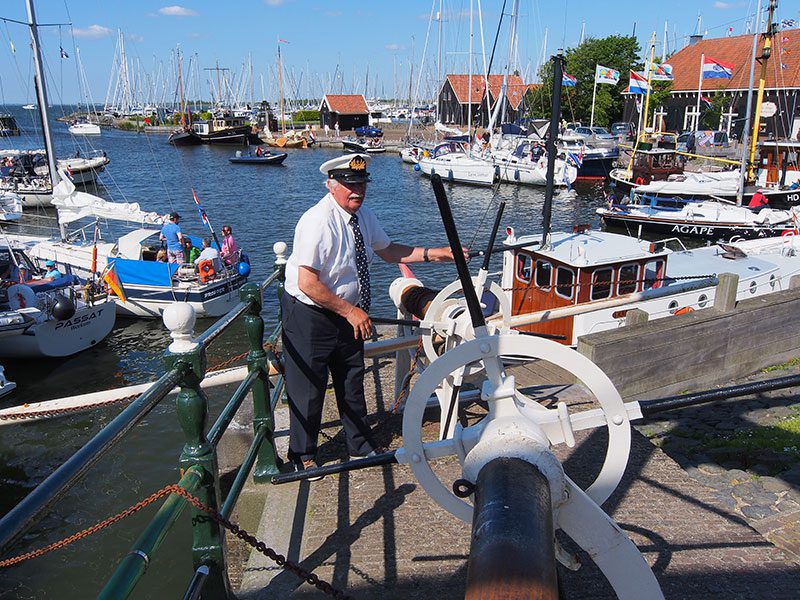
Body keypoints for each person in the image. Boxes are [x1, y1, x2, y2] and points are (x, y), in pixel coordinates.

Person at [282, 153, 464, 476]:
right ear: (331, 185)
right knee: (308, 384)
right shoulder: (317, 221)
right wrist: (350, 311)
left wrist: (437, 254)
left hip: (347, 311)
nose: (357, 190)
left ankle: (359, 445)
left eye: (361, 183)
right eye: (350, 184)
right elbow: (306, 282)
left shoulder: (364, 216)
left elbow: (388, 250)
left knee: (352, 376)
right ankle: (302, 455)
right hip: (310, 312)